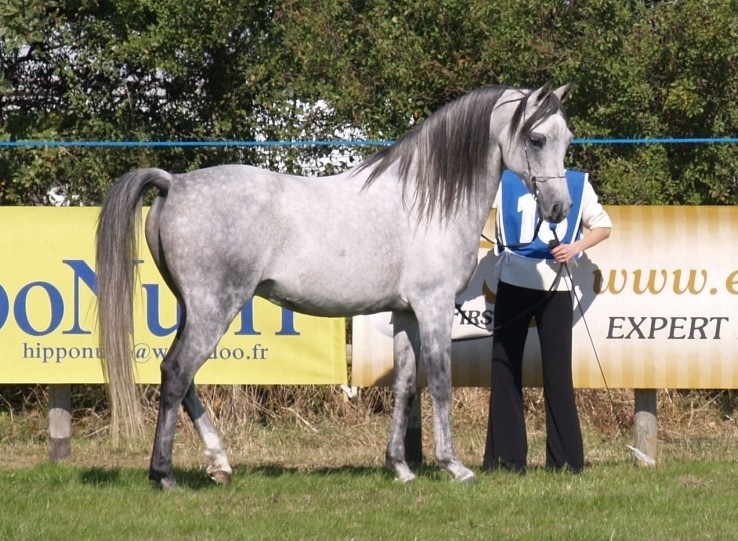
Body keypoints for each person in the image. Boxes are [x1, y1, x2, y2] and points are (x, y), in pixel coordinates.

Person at [483, 169, 611, 474]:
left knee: (557, 376)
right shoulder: (505, 178)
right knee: (505, 370)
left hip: (556, 288)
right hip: (514, 280)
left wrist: (575, 247)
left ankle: (565, 462)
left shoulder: (577, 182)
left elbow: (603, 225)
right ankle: (507, 461)